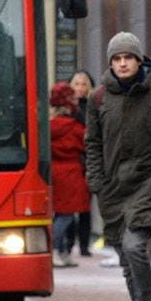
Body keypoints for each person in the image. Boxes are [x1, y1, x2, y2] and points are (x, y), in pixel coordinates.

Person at [85, 31, 151, 301]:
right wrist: (96, 183)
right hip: (110, 190)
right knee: (125, 257)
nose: (123, 64)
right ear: (111, 62)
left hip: (146, 186)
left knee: (135, 247)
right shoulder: (97, 98)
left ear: (139, 61)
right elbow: (92, 145)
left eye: (129, 58)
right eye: (117, 58)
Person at [49, 82, 90, 269]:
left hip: (55, 171)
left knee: (61, 214)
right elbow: (86, 144)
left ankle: (62, 251)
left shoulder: (48, 127)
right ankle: (56, 250)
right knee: (67, 215)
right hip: (72, 172)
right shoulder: (74, 127)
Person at [68, 69, 95, 258]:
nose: (80, 88)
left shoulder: (92, 108)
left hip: (88, 162)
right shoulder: (64, 108)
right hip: (71, 163)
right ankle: (68, 244)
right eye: (76, 84)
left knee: (86, 206)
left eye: (84, 84)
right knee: (68, 207)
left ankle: (84, 245)